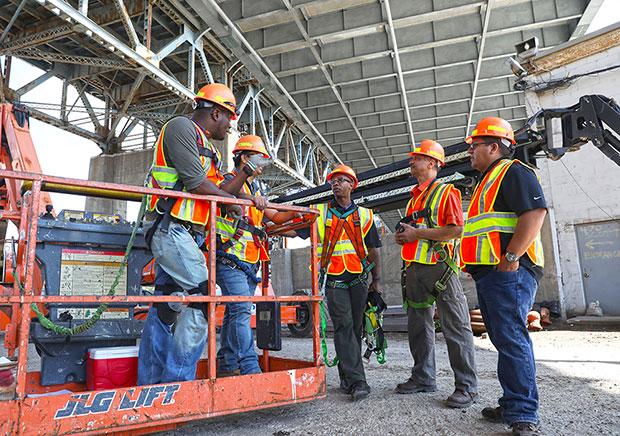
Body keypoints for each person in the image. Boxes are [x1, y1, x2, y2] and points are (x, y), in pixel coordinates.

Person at [138, 83, 266, 385]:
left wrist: (244, 179)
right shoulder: (181, 127)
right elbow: (198, 185)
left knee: (165, 305)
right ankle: (177, 384)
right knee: (203, 298)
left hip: (186, 235)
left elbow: (218, 191)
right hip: (171, 228)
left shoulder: (206, 146)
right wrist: (233, 200)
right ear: (216, 112)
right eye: (229, 119)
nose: (230, 126)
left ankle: (152, 385)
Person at [461, 117, 547, 436]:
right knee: (503, 338)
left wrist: (512, 257)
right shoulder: (486, 180)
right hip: (493, 273)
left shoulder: (513, 171)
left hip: (511, 270)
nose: (470, 151)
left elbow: (535, 213)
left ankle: (523, 413)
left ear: (494, 147)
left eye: (475, 146)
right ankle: (513, 403)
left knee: (511, 338)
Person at [394, 140, 478, 408]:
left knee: (456, 326)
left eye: (416, 158)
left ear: (432, 163)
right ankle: (423, 378)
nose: (411, 161)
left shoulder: (446, 193)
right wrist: (404, 237)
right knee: (419, 326)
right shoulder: (414, 196)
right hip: (415, 269)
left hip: (441, 269)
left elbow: (456, 230)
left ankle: (466, 387)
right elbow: (416, 231)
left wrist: (416, 233)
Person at [215, 135, 300, 376]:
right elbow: (223, 196)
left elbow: (276, 216)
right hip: (229, 258)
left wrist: (299, 210)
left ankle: (228, 363)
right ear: (244, 158)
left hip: (249, 262)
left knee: (235, 312)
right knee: (241, 311)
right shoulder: (228, 181)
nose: (263, 167)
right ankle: (249, 366)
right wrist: (252, 199)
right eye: (258, 160)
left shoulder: (254, 189)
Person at [297, 164, 382, 401]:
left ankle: (346, 377)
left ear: (352, 185)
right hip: (334, 279)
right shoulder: (320, 212)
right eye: (333, 181)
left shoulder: (365, 215)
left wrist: (377, 281)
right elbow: (295, 230)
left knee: (355, 329)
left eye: (342, 180)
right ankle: (358, 381)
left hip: (358, 277)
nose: (336, 184)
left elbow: (374, 250)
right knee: (344, 327)